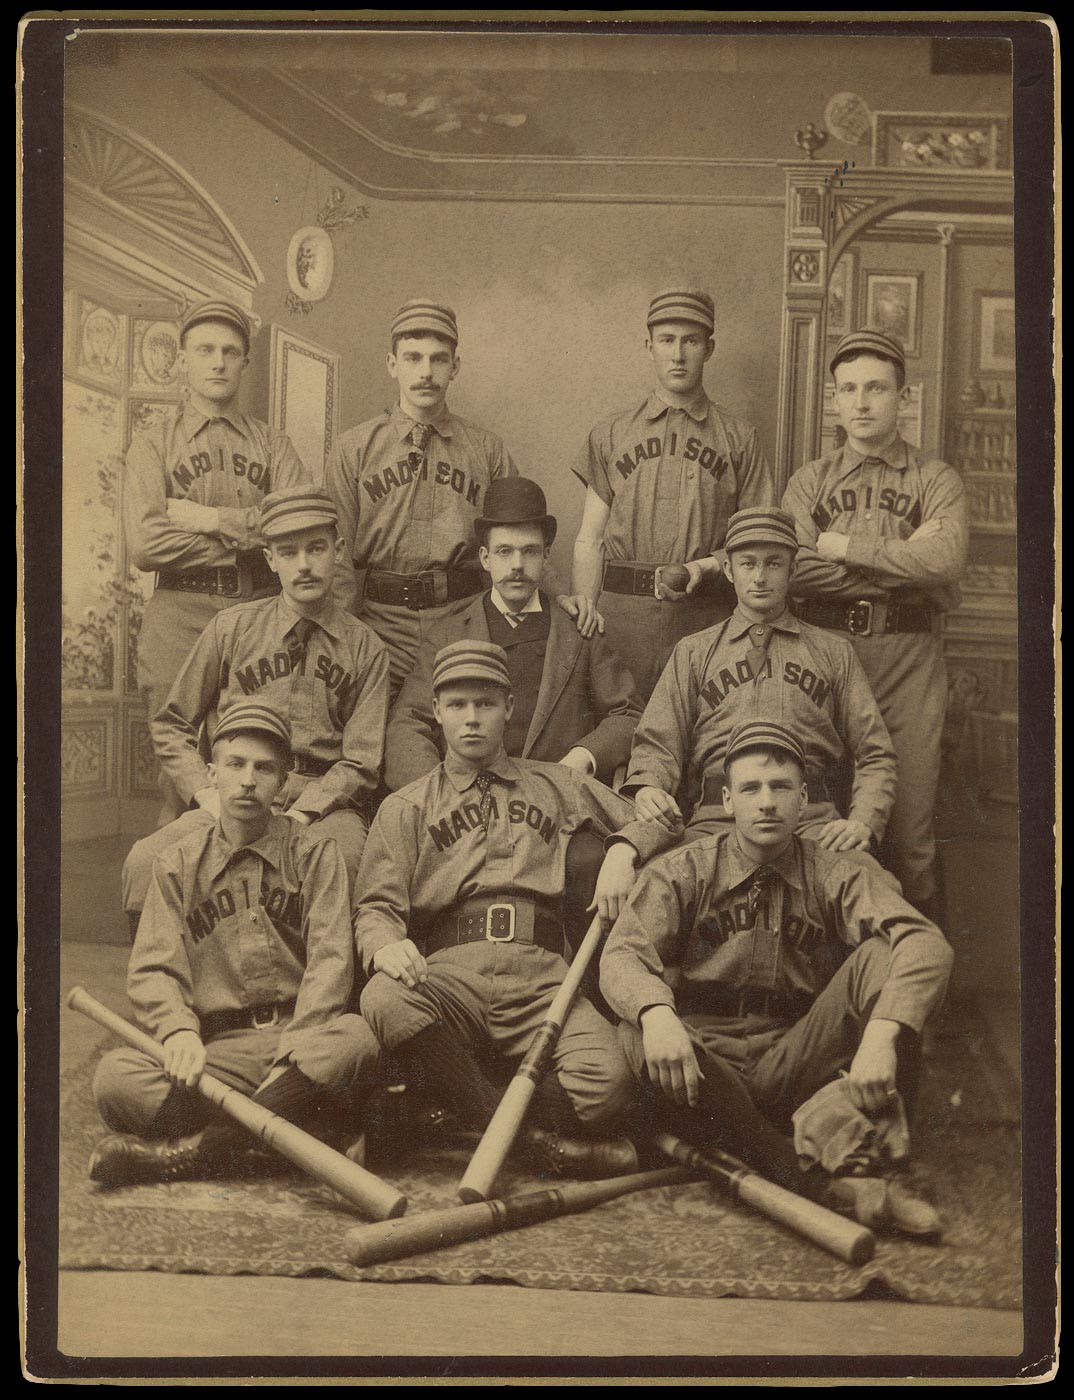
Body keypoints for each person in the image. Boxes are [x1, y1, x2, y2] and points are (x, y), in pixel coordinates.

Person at [600, 720, 953, 1238]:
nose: (766, 802)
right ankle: (825, 1181)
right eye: (751, 788)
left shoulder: (834, 871)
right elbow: (621, 956)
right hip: (705, 1061)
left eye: (781, 787)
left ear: (803, 799)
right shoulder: (685, 870)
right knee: (634, 1032)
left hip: (793, 1052)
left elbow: (925, 943)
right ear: (727, 801)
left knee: (885, 953)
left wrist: (880, 1036)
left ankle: (760, 1145)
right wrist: (657, 1015)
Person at [353, 640, 672, 1176]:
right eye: (457, 706)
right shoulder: (406, 805)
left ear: (509, 708)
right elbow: (375, 907)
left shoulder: (558, 783)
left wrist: (624, 847)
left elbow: (661, 820)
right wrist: (385, 946)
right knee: (384, 998)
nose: (471, 719)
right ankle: (529, 1142)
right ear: (436, 713)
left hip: (543, 975)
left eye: (485, 704)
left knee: (607, 1082)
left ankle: (451, 1111)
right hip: (452, 972)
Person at [90, 704, 381, 1186]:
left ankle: (197, 1154)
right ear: (212, 773)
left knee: (357, 1041)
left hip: (299, 1047)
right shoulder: (177, 864)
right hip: (218, 1051)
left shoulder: (314, 854)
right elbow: (154, 968)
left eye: (264, 768)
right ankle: (288, 1135)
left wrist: (294, 1056)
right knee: (116, 1080)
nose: (248, 780)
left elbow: (331, 963)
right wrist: (178, 1031)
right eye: (235, 764)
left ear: (284, 781)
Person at [121, 487, 390, 927]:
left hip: (322, 804)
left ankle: (327, 994)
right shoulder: (232, 629)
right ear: (270, 559)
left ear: (338, 552)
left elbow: (361, 762)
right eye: (288, 552)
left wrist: (304, 812)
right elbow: (171, 724)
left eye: (316, 548)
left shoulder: (365, 648)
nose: (303, 565)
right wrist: (208, 795)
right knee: (147, 861)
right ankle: (165, 990)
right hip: (237, 791)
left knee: (344, 863)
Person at [782, 328, 969, 916]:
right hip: (827, 660)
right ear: (834, 400)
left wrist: (839, 547)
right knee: (824, 821)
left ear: (903, 397)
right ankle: (834, 978)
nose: (862, 402)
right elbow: (792, 572)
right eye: (849, 389)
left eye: (877, 389)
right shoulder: (811, 481)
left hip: (909, 664)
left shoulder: (934, 480)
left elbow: (943, 560)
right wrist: (899, 561)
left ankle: (918, 988)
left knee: (910, 829)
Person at [123, 298, 310, 823]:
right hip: (179, 610)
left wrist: (208, 520)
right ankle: (168, 895)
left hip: (258, 608)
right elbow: (145, 546)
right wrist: (254, 528)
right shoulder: (153, 444)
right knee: (180, 777)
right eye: (205, 350)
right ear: (182, 360)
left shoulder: (273, 444)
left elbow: (296, 527)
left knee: (255, 749)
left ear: (246, 363)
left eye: (231, 351)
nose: (218, 361)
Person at [623, 507, 897, 857]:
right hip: (716, 822)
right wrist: (647, 787)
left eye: (774, 563)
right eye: (748, 563)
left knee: (874, 893)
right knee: (653, 890)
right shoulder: (694, 651)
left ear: (793, 569)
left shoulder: (833, 651)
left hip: (812, 824)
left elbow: (876, 752)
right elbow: (657, 744)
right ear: (728, 570)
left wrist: (863, 822)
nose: (760, 577)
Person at [570, 287, 775, 700]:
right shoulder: (611, 432)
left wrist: (704, 567)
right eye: (666, 340)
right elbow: (589, 538)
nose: (678, 354)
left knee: (700, 742)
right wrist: (585, 617)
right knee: (618, 736)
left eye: (691, 341)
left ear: (709, 348)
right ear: (649, 346)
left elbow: (760, 542)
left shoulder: (739, 438)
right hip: (622, 617)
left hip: (704, 617)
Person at [385, 476, 641, 791]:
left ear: (546, 556)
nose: (517, 565)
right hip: (467, 803)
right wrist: (441, 793)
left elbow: (627, 715)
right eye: (504, 551)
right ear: (485, 558)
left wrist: (584, 756)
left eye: (529, 551)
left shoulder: (579, 631)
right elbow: (407, 725)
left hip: (556, 800)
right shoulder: (448, 634)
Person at [325, 299, 521, 696]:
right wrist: (341, 634)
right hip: (378, 624)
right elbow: (337, 552)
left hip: (464, 619)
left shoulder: (486, 450)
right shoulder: (353, 448)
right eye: (413, 358)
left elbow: (515, 541)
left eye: (438, 360)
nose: (426, 373)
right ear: (392, 364)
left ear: (455, 367)